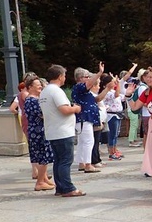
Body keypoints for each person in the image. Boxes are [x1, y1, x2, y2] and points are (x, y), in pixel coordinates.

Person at [39, 65, 86, 197]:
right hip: (63, 131)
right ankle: (67, 188)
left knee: (58, 161)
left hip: (52, 130)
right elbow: (64, 110)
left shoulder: (45, 91)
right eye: (64, 75)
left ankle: (60, 187)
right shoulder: (56, 91)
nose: (65, 78)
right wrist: (76, 109)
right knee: (65, 160)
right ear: (60, 76)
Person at [23, 76, 56, 191]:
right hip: (39, 131)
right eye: (38, 85)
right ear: (30, 87)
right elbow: (43, 114)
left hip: (37, 130)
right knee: (43, 156)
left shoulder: (33, 99)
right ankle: (40, 182)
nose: (40, 87)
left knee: (41, 155)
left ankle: (44, 178)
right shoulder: (32, 100)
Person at [72, 65, 104, 174]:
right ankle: (88, 164)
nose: (89, 78)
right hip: (84, 118)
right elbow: (90, 83)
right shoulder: (80, 87)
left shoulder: (80, 89)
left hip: (83, 118)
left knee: (83, 141)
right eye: (87, 76)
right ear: (81, 78)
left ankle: (82, 163)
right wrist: (99, 73)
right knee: (88, 141)